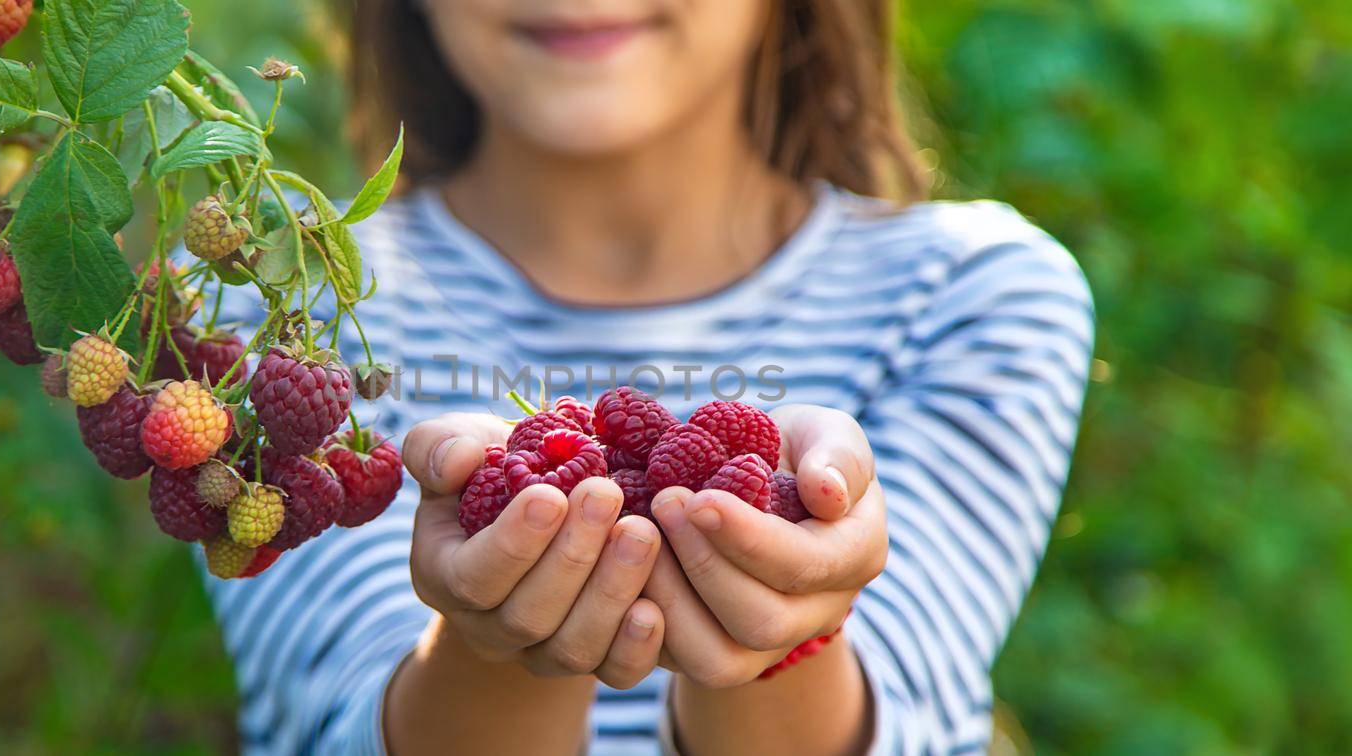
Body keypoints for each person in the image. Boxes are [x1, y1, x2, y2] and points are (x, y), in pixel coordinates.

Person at [202, 1, 1095, 753]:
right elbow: (333, 724)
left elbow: (905, 719)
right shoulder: (271, 307)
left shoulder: (968, 293)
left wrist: (790, 628)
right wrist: (494, 640)